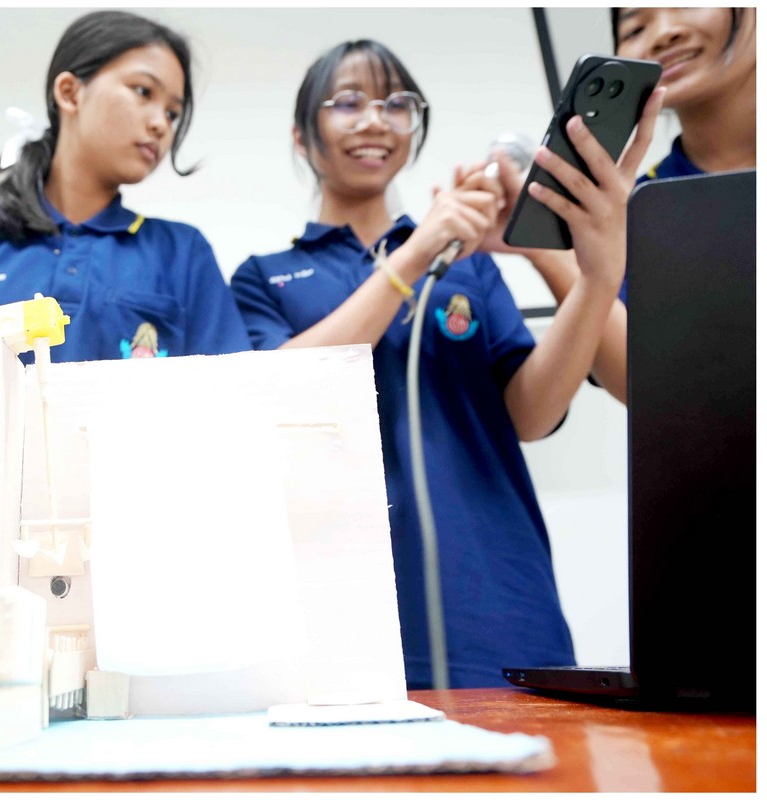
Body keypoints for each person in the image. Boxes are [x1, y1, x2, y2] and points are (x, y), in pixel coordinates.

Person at [230, 40, 663, 688]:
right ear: (301, 135)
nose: (376, 120)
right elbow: (286, 392)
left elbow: (532, 416)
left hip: (495, 595)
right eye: (347, 102)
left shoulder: (471, 267)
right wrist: (417, 250)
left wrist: (577, 269)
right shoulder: (263, 278)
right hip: (335, 608)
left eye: (396, 104)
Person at [0, 10, 250, 363]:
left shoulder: (183, 253)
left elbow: (235, 388)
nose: (161, 124)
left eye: (173, 113)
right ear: (70, 93)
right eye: (143, 91)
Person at [509, 8, 755, 403]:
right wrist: (556, 255)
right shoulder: (635, 213)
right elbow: (655, 391)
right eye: (635, 28)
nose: (664, 33)